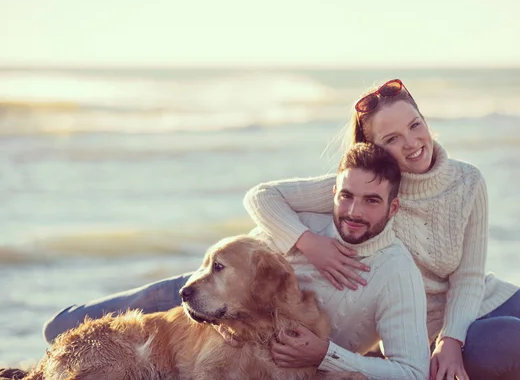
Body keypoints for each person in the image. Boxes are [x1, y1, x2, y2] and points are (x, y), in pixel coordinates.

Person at [242, 79, 520, 380]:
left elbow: (469, 275)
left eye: (415, 125)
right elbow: (262, 197)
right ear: (374, 149)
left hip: (482, 297)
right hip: (420, 330)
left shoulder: (467, 180)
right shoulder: (371, 191)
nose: (412, 143)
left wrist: (453, 339)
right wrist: (309, 243)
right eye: (392, 139)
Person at [43, 142, 431, 380]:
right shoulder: (312, 221)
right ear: (332, 192)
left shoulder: (397, 274)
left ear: (394, 207)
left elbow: (413, 373)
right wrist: (307, 241)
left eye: (371, 201)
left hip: (228, 299)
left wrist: (324, 354)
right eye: (345, 196)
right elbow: (259, 197)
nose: (352, 211)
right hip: (206, 296)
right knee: (65, 329)